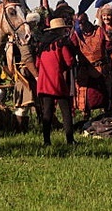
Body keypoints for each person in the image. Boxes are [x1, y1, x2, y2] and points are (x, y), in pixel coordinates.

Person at [70, 7, 112, 118]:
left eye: (83, 22)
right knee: (86, 98)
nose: (81, 26)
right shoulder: (76, 35)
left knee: (106, 95)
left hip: (102, 67)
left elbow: (109, 47)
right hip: (85, 69)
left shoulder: (99, 30)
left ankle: (107, 117)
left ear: (87, 21)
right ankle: (86, 119)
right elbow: (71, 50)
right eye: (79, 24)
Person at [36, 18, 76, 146]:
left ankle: (46, 141)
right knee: (66, 111)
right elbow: (69, 61)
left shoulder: (42, 45)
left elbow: (37, 64)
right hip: (57, 82)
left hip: (44, 81)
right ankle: (70, 140)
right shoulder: (61, 44)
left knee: (47, 113)